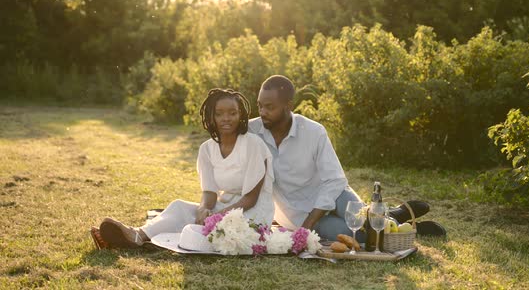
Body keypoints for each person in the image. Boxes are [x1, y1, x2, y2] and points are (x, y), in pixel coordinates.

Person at [249, 75, 445, 241]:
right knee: (357, 235)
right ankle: (407, 225)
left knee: (371, 222)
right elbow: (224, 125)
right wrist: (307, 223)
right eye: (260, 106)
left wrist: (310, 224)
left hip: (334, 195)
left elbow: (335, 180)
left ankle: (391, 217)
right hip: (298, 212)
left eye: (269, 107)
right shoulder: (253, 132)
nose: (263, 113)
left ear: (288, 106)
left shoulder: (313, 131)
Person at [90, 89, 274, 249]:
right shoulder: (207, 149)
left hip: (252, 213)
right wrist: (204, 208)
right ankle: (137, 236)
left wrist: (216, 216)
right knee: (180, 208)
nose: (226, 118)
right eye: (219, 113)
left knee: (196, 234)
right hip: (225, 207)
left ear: (240, 115)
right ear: (211, 116)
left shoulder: (253, 145)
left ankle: (124, 239)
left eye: (232, 113)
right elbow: (210, 192)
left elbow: (251, 199)